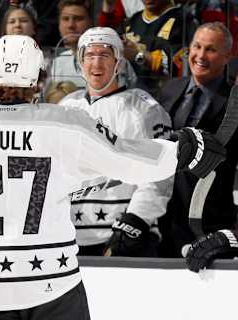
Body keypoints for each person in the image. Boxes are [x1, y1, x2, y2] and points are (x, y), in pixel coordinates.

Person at [0, 34, 225, 319]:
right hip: (52, 284)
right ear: (40, 78)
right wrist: (182, 152)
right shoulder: (64, 123)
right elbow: (127, 159)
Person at [59, 27, 173, 256]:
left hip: (125, 234)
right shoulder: (65, 108)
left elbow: (161, 173)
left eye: (104, 55)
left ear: (119, 62)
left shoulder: (144, 108)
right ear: (80, 62)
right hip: (71, 236)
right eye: (89, 55)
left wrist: (136, 221)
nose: (96, 63)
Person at [156, 22, 238, 257]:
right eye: (197, 46)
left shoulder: (235, 102)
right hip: (161, 220)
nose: (200, 55)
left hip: (209, 226)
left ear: (227, 56)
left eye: (211, 49)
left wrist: (232, 234)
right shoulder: (169, 89)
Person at [123, 0, 197, 95]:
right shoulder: (133, 20)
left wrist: (139, 55)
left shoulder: (184, 20)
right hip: (131, 95)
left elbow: (181, 67)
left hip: (165, 97)